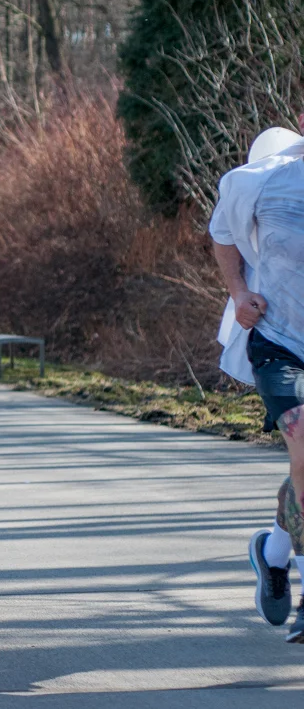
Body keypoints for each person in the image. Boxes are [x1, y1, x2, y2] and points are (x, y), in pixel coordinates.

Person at [210, 126, 304, 643]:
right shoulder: (264, 182)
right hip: (278, 342)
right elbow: (223, 232)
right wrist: (241, 291)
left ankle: (272, 554)